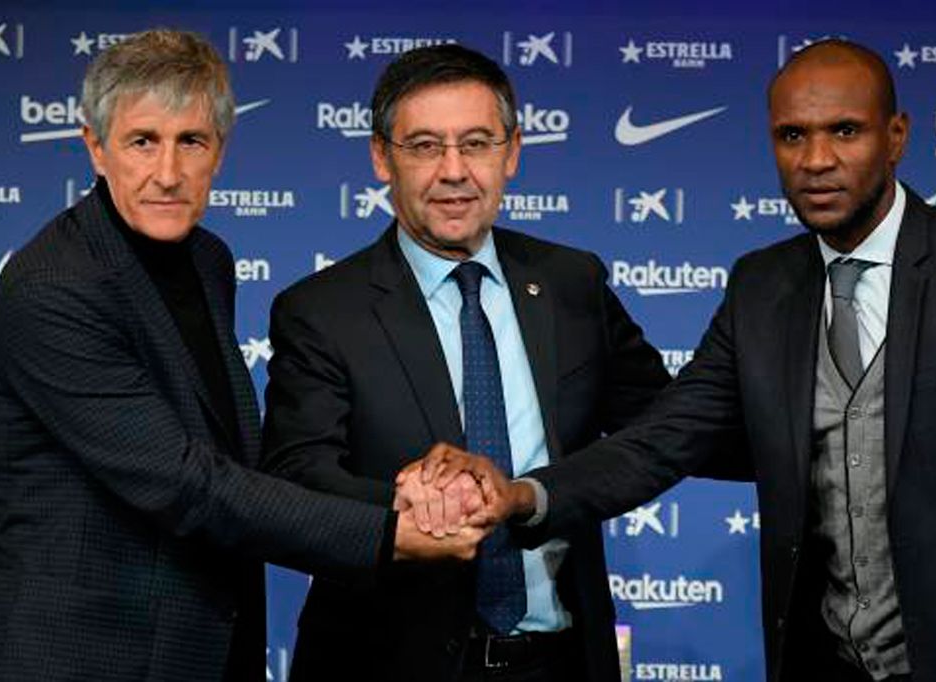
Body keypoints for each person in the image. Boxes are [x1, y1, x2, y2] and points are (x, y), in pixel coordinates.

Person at [419, 40, 936, 682]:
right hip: (825, 664)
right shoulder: (763, 286)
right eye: (793, 136)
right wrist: (524, 495)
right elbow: (662, 440)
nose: (816, 160)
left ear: (897, 137)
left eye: (843, 131)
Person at [0, 29, 482, 682]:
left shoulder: (206, 259)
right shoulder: (53, 291)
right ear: (95, 148)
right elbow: (187, 484)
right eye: (142, 141)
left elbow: (228, 455)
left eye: (191, 141)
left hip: (206, 646)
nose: (168, 173)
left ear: (220, 149)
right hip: (87, 656)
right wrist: (388, 530)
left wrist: (399, 495)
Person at [260, 44, 672, 682]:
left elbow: (667, 427)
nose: (454, 171)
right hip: (391, 663)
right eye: (424, 146)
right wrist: (408, 507)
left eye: (476, 143)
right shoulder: (321, 309)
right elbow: (295, 472)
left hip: (560, 662)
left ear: (512, 152)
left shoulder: (571, 281)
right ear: (380, 157)